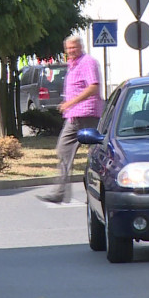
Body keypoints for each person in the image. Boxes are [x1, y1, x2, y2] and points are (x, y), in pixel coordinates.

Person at [38, 36, 104, 204]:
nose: (71, 51)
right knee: (63, 150)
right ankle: (61, 193)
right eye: (68, 48)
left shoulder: (88, 62)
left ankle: (97, 192)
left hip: (87, 115)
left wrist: (71, 102)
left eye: (74, 47)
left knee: (97, 154)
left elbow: (94, 87)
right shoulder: (73, 65)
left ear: (80, 46)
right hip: (74, 116)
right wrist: (68, 104)